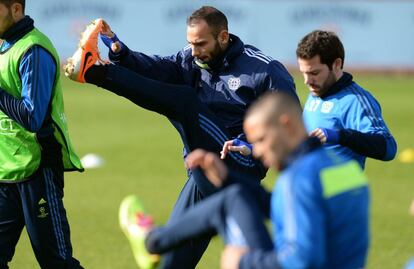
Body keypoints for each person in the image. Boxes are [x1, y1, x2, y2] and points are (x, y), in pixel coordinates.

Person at [65, 6, 297, 269]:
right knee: (172, 263)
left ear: (223, 37)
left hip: (240, 166)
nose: (194, 51)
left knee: (185, 102)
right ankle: (96, 68)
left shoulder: (264, 70)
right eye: (190, 43)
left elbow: (289, 122)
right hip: (203, 170)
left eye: (201, 43)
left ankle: (96, 72)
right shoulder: (191, 58)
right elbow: (157, 69)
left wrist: (249, 144)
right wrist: (120, 50)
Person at [119, 92, 370, 269]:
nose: (257, 151)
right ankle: (153, 241)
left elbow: (302, 260)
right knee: (234, 196)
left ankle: (152, 241)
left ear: (287, 125)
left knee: (227, 202)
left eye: (260, 140)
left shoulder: (298, 179)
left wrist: (241, 262)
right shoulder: (343, 168)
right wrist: (228, 177)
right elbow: (289, 208)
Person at [222, 30, 397, 170]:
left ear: (336, 64)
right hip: (308, 185)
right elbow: (301, 147)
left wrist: (341, 136)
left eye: (314, 73)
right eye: (304, 73)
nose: (307, 81)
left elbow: (389, 148)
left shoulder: (355, 101)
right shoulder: (316, 94)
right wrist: (253, 148)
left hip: (336, 197)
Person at [0, 0, 84, 268]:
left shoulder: (33, 50)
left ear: (15, 9)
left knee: (56, 262)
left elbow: (32, 116)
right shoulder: (4, 46)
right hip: (5, 173)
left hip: (37, 171)